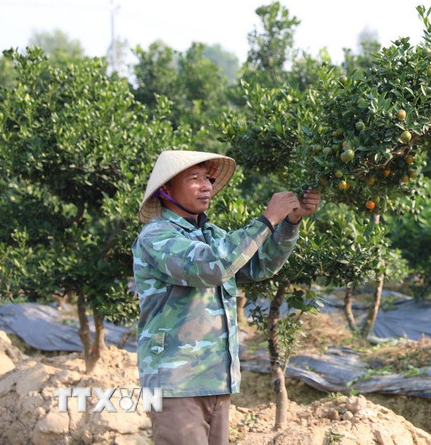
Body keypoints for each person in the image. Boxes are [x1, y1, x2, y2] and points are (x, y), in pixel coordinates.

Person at [132, 150, 321, 444]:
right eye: (194, 178)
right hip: (175, 384)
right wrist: (267, 219)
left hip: (216, 381)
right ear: (166, 189)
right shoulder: (157, 236)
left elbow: (260, 264)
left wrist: (290, 222)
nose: (205, 186)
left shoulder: (211, 234)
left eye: (207, 178)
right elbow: (214, 266)